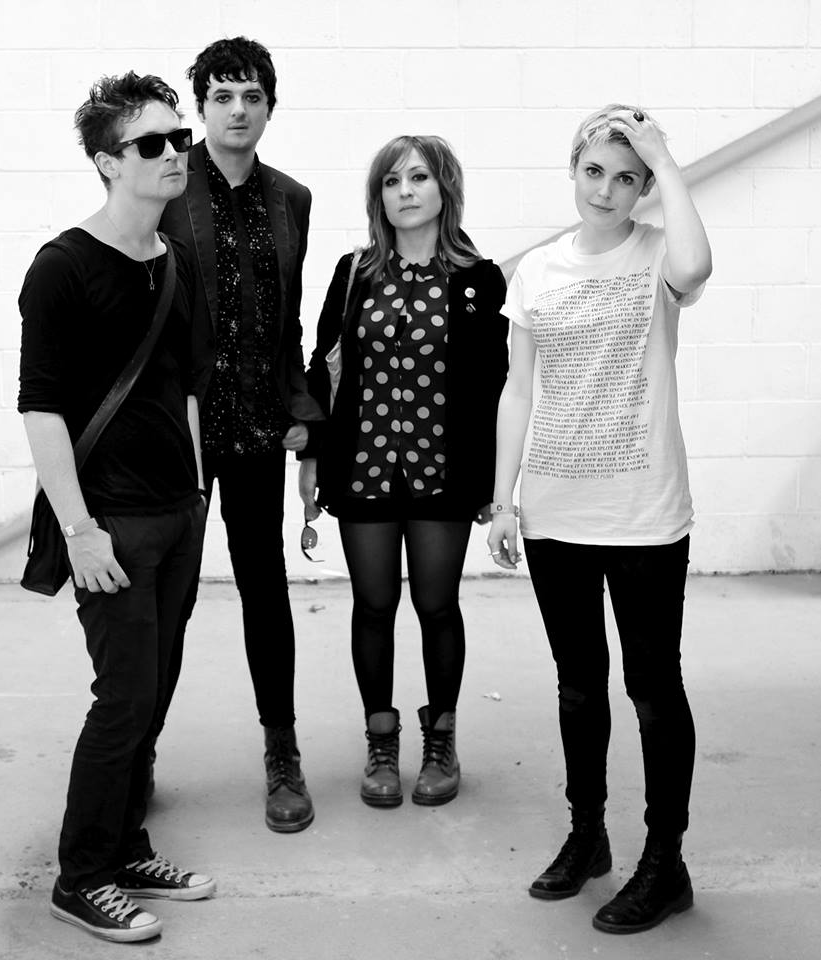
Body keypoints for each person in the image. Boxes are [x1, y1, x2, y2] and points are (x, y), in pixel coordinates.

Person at [488, 104, 712, 934]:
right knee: (578, 687)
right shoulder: (536, 271)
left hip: (643, 514)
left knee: (651, 689)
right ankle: (588, 835)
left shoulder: (658, 253)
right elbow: (517, 389)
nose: (606, 190)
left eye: (626, 178)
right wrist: (502, 499)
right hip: (554, 514)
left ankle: (665, 861)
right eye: (593, 172)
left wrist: (664, 157)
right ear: (572, 172)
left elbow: (697, 263)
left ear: (643, 187)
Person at [18, 72, 214, 943]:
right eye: (152, 143)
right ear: (107, 162)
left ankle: (127, 846)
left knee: (154, 691)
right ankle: (82, 877)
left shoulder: (174, 261)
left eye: (179, 138)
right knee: (123, 699)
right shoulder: (61, 267)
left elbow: (185, 386)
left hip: (176, 513)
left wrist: (196, 493)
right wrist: (80, 531)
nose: (174, 153)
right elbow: (41, 409)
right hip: (110, 523)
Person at [300, 135, 508, 808]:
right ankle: (381, 742)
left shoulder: (478, 279)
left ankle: (441, 741)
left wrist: (492, 484)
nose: (405, 191)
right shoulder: (353, 272)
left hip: (444, 471)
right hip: (362, 466)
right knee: (373, 605)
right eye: (391, 182)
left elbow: (494, 386)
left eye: (418, 178)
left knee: (436, 605)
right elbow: (323, 366)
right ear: (378, 197)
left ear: (444, 188)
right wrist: (310, 456)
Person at [158, 36, 323, 834]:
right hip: (180, 430)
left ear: (268, 107)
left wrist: (301, 411)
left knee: (265, 587)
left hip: (258, 427)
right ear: (200, 107)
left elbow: (289, 321)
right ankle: (134, 748)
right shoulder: (166, 185)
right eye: (221, 96)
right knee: (171, 594)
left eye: (251, 96)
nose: (237, 110)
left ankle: (281, 750)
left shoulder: (291, 198)